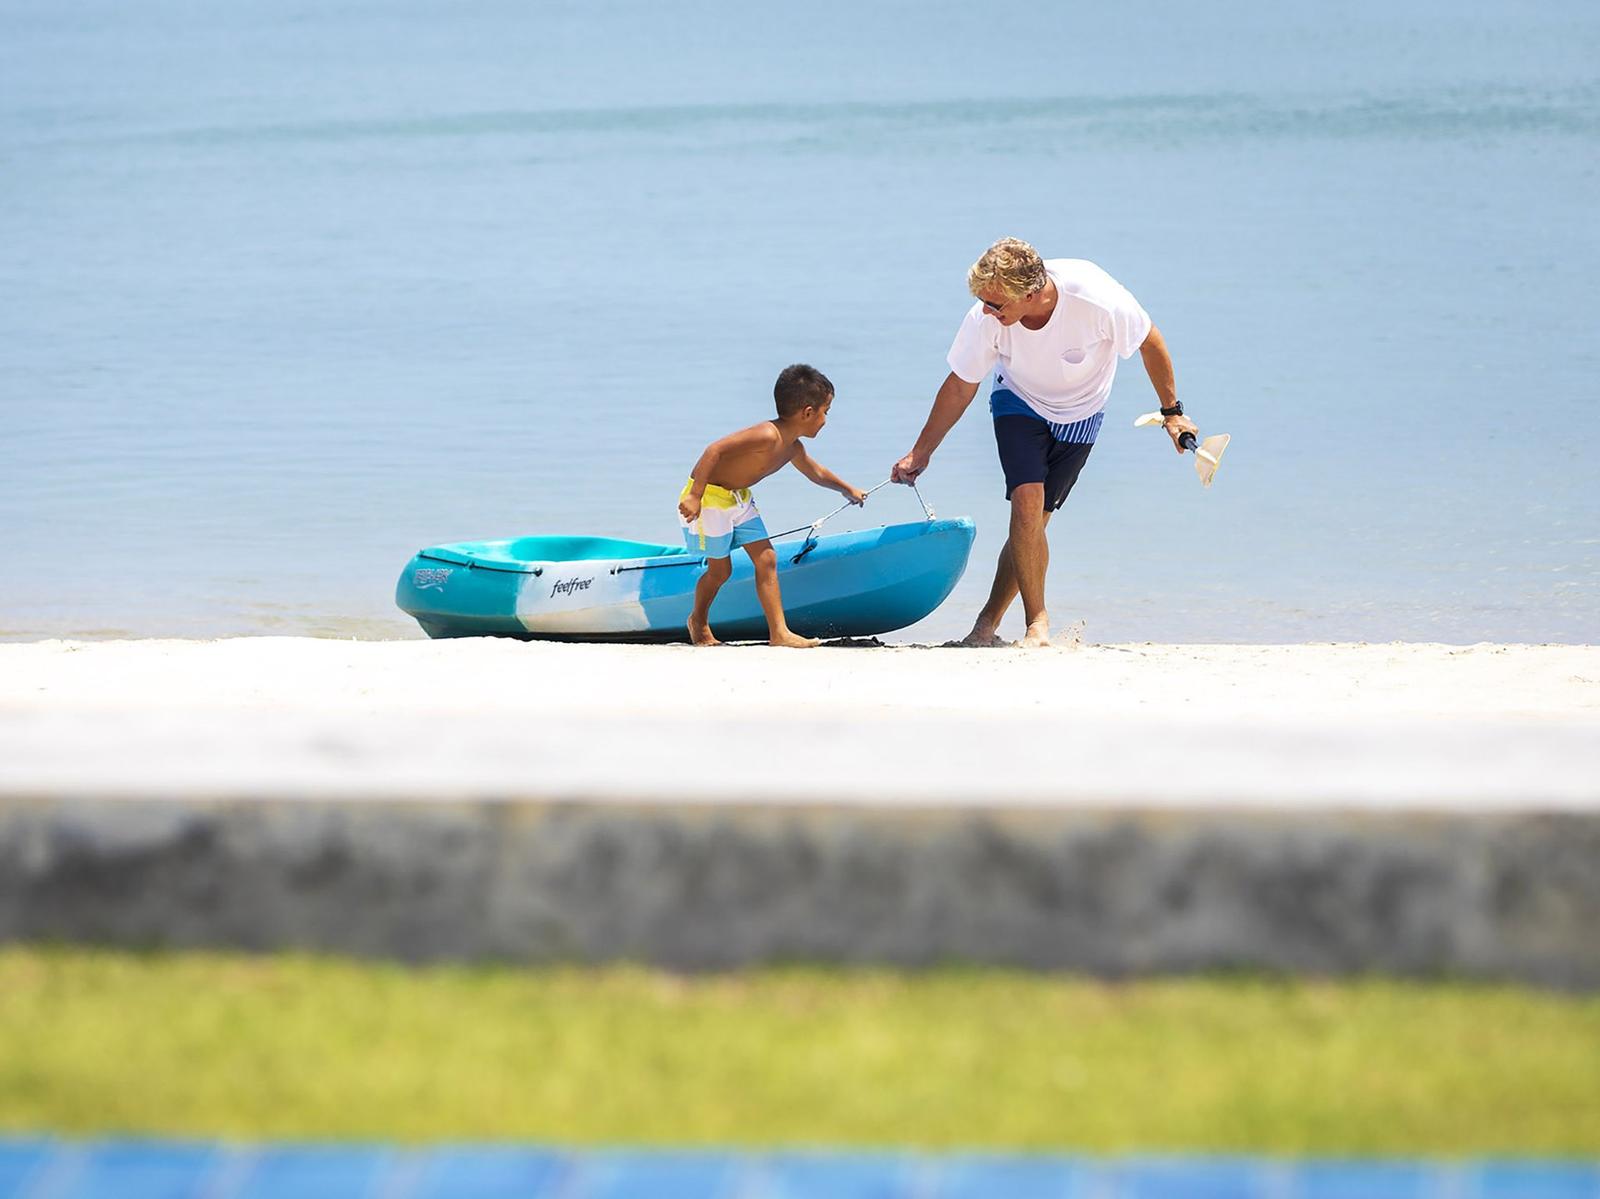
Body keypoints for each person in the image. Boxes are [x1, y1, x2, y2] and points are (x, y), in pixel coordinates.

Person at [891, 237, 1199, 648]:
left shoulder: (1096, 298)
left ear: (1031, 293)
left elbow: (1150, 342)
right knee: (1026, 502)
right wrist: (922, 449)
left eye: (996, 304)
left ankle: (985, 624)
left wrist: (1172, 413)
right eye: (983, 300)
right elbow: (961, 385)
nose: (986, 310)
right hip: (1017, 400)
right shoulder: (985, 319)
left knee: (1032, 526)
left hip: (1082, 414)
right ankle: (1037, 622)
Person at [678, 363, 868, 647]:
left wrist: (846, 489)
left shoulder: (793, 447)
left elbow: (816, 472)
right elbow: (714, 450)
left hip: (739, 498)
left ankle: (779, 633)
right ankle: (698, 622)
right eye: (825, 412)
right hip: (710, 499)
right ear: (807, 412)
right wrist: (695, 495)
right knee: (721, 572)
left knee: (767, 559)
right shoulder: (767, 435)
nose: (826, 419)